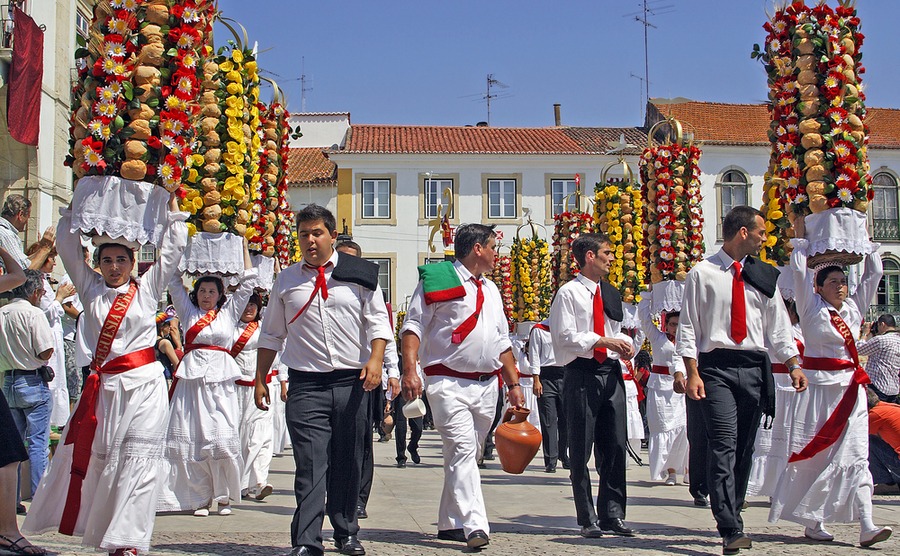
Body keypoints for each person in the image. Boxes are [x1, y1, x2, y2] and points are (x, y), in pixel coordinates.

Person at [23, 196, 187, 556]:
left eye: (121, 260)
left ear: (132, 263)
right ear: (97, 264)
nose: (114, 267)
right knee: (108, 463)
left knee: (139, 461)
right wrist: (76, 204)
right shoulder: (89, 289)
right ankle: (109, 533)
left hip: (144, 386)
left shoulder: (146, 289)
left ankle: (129, 540)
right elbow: (67, 245)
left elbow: (173, 250)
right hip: (105, 391)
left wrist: (173, 209)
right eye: (107, 260)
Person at [254, 204, 392, 556]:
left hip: (353, 382)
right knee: (311, 463)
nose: (310, 240)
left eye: (317, 233)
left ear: (332, 236)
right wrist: (259, 378)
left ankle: (346, 531)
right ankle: (306, 540)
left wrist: (376, 361)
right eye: (303, 235)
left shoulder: (360, 274)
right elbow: (271, 335)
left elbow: (378, 323)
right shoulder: (286, 280)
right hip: (306, 385)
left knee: (348, 459)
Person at [676, 206, 806, 554]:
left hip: (753, 367)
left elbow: (778, 327)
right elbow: (688, 327)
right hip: (715, 367)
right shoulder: (702, 273)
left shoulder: (764, 276)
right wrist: (692, 372)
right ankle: (729, 526)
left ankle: (734, 512)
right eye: (761, 232)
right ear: (743, 233)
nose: (766, 239)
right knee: (724, 443)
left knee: (745, 449)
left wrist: (793, 363)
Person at [401, 223, 525, 550]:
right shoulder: (438, 278)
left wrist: (513, 383)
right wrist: (410, 369)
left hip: (487, 386)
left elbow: (501, 340)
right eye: (493, 247)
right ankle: (475, 525)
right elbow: (413, 325)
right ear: (477, 249)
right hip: (446, 381)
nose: (498, 254)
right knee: (463, 450)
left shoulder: (493, 290)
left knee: (468, 455)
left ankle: (449, 522)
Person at [768, 233, 892, 547]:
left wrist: (869, 248)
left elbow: (873, 276)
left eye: (842, 280)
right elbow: (798, 274)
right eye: (832, 281)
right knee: (819, 455)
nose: (840, 286)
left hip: (851, 392)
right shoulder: (811, 309)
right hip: (819, 392)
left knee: (855, 455)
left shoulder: (853, 309)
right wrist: (803, 246)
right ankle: (813, 520)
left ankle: (867, 524)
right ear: (819, 287)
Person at [158, 241, 256, 517]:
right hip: (192, 382)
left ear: (220, 294)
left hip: (221, 382)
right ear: (196, 293)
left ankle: (224, 496)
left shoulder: (228, 313)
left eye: (212, 291)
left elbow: (248, 283)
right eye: (202, 290)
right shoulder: (188, 312)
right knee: (194, 439)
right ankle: (201, 498)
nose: (206, 295)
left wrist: (244, 246)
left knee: (222, 439)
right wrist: (186, 244)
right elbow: (174, 281)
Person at [549, 233, 636, 539]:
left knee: (614, 444)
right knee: (581, 446)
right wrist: (600, 340)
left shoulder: (610, 293)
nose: (612, 258)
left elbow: (620, 331)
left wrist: (626, 346)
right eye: (607, 253)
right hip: (582, 373)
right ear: (589, 256)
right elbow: (564, 336)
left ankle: (613, 513)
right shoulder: (569, 293)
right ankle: (587, 517)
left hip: (611, 372)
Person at [334, 240, 401, 518]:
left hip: (367, 376)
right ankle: (335, 493)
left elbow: (383, 333)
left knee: (362, 442)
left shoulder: (369, 288)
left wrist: (393, 372)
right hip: (334, 373)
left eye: (351, 259)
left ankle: (359, 498)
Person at [0, 248, 46, 555]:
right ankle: (6, 531)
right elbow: (17, 275)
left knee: (12, 451)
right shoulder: (31, 312)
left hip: (7, 381)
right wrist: (2, 248)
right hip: (27, 380)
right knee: (11, 452)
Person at [747, 298, 803, 499]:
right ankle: (750, 486)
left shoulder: (802, 332)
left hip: (794, 389)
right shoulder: (765, 333)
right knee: (765, 439)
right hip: (772, 384)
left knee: (788, 440)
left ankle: (781, 489)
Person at [638, 298, 689, 487]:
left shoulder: (688, 342)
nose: (675, 328)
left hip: (680, 390)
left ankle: (677, 471)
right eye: (672, 324)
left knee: (681, 430)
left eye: (679, 324)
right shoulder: (658, 338)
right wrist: (647, 296)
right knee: (663, 428)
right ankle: (666, 471)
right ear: (666, 325)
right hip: (660, 389)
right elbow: (643, 319)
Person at [232, 293, 276, 501]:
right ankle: (240, 483)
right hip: (234, 390)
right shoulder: (229, 328)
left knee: (260, 436)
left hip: (260, 387)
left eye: (253, 304)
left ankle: (260, 481)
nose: (249, 308)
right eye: (245, 304)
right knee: (239, 438)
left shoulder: (263, 328)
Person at [25, 243, 74, 429]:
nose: (54, 263)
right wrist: (59, 297)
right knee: (53, 378)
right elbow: (45, 312)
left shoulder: (45, 281)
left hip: (55, 333)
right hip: (48, 334)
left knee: (60, 377)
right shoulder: (38, 283)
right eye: (52, 259)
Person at [529, 318, 569, 473]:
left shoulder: (568, 327)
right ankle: (550, 459)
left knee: (566, 419)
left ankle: (563, 455)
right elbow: (534, 355)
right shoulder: (539, 329)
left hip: (566, 374)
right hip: (546, 377)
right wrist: (536, 379)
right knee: (548, 420)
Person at [0, 194, 55, 271]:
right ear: (20, 214)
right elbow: (24, 271)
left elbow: (25, 262)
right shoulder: (6, 235)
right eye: (28, 217)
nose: (27, 222)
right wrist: (45, 248)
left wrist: (41, 247)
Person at [858, 314, 900, 403]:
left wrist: (865, 334)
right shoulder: (897, 339)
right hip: (894, 388)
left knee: (874, 415)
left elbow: (859, 349)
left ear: (882, 324)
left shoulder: (881, 340)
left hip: (878, 386)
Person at [867, 388, 900, 494]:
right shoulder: (889, 407)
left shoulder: (876, 414)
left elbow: (855, 433)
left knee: (869, 441)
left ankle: (884, 479)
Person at [154, 313, 180, 381]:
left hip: (155, 378)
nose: (170, 327)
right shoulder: (165, 343)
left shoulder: (149, 342)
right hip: (166, 379)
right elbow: (176, 364)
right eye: (168, 324)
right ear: (161, 327)